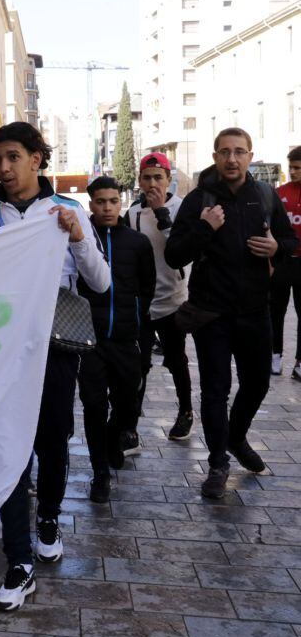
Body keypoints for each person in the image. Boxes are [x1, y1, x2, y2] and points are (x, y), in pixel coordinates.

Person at [0, 122, 110, 611]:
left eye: (12, 157)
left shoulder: (67, 211)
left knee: (51, 438)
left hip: (54, 347)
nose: (4, 168)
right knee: (8, 444)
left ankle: (48, 517)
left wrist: (78, 240)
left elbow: (101, 282)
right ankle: (18, 559)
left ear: (36, 159)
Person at [165, 128, 297, 498]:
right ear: (215, 156)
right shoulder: (199, 200)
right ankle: (218, 461)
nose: (232, 159)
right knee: (215, 391)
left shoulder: (266, 196)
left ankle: (236, 438)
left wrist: (275, 247)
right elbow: (175, 254)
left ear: (250, 156)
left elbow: (289, 242)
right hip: (212, 314)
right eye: (225, 152)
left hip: (256, 311)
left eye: (239, 152)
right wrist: (206, 229)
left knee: (258, 383)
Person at [77, 177, 156, 503]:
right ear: (91, 203)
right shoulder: (81, 240)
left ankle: (112, 441)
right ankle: (99, 473)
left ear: (120, 202)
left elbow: (147, 289)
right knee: (94, 406)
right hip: (91, 341)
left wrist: (139, 329)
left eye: (112, 201)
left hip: (125, 339)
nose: (107, 207)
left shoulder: (137, 243)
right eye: (100, 201)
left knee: (127, 405)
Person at [125, 153, 195, 442]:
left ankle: (186, 411)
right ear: (139, 180)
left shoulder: (181, 209)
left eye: (158, 177)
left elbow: (180, 249)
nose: (152, 183)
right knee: (138, 363)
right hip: (143, 302)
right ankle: (130, 425)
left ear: (168, 179)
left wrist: (161, 212)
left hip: (173, 300)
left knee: (176, 359)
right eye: (147, 177)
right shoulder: (132, 213)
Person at [270, 146, 301, 380]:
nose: (292, 171)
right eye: (290, 167)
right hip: (282, 261)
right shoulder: (279, 193)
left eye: (297, 168)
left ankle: (300, 362)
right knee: (275, 311)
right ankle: (275, 356)